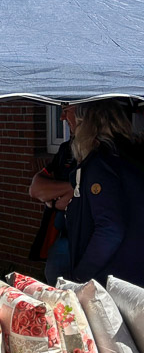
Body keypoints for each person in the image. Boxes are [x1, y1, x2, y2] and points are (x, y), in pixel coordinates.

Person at [65, 100, 144, 286]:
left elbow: (110, 229)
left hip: (114, 277)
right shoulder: (130, 155)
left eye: (78, 122)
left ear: (88, 125)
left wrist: (81, 275)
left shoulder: (101, 164)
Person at [29, 104, 78, 282]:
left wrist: (57, 193)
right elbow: (35, 188)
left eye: (67, 110)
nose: (61, 118)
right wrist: (71, 189)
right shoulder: (66, 150)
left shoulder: (104, 153)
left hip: (90, 244)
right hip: (63, 239)